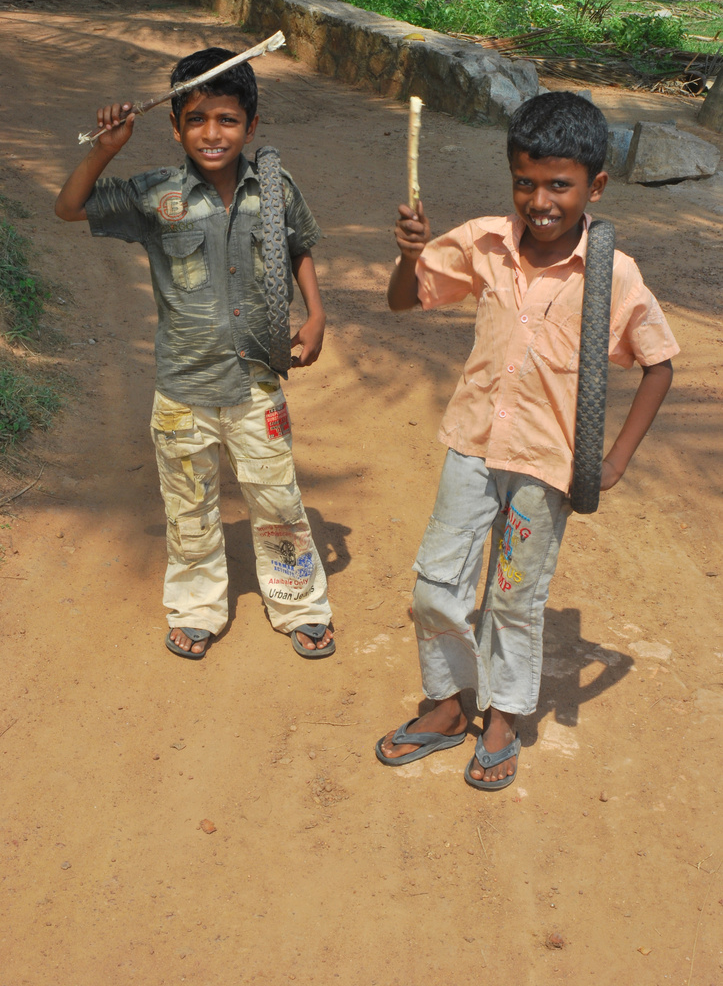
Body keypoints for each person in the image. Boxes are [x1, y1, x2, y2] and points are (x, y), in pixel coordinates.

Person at [375, 91, 678, 789]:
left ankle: (504, 716)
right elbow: (403, 298)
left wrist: (614, 460)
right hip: (473, 446)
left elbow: (658, 364)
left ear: (593, 186)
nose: (538, 200)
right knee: (434, 584)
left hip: (545, 468)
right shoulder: (483, 241)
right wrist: (407, 256)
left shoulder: (615, 274)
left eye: (558, 185)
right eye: (524, 181)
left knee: (513, 597)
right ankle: (451, 704)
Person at [55, 47, 335, 661]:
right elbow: (69, 207)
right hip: (182, 390)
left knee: (278, 498)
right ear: (176, 125)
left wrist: (315, 313)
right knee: (189, 508)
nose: (213, 134)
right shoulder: (156, 196)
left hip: (258, 381)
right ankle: (197, 606)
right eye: (199, 119)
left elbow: (300, 246)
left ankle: (298, 603)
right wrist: (106, 147)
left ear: (252, 125)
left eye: (228, 120)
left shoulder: (276, 186)